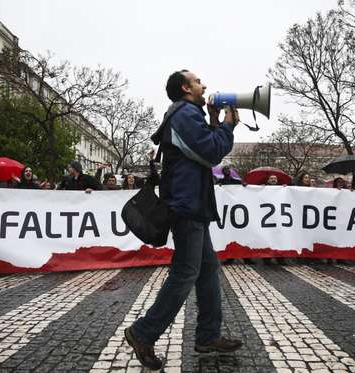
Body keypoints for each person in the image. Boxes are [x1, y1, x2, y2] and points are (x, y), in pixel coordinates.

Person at [124, 70, 242, 370]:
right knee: (186, 272)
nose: (205, 85)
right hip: (187, 205)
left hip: (194, 204)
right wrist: (227, 126)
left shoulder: (191, 114)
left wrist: (216, 122)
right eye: (199, 81)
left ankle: (207, 336)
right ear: (186, 88)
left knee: (207, 270)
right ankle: (143, 333)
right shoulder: (186, 114)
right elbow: (212, 152)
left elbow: (203, 150)